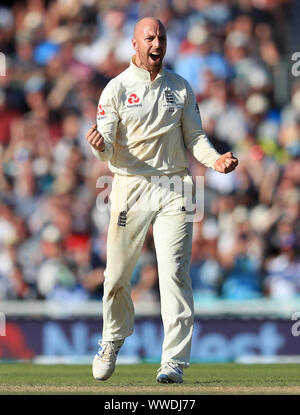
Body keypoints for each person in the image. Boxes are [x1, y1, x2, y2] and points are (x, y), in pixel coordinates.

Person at [85, 17, 238, 384]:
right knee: (117, 275)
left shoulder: (180, 87)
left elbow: (196, 137)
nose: (157, 43)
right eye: (149, 37)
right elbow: (105, 142)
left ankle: (173, 361)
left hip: (175, 186)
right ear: (135, 45)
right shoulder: (117, 89)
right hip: (129, 186)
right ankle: (113, 337)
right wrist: (100, 146)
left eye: (162, 37)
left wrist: (215, 159)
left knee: (174, 272)